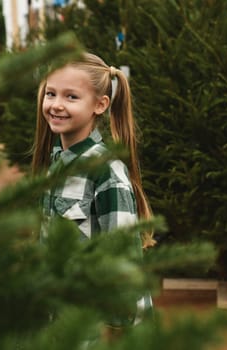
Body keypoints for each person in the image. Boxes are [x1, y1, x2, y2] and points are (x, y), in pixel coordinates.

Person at [31, 52, 155, 330]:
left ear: (100, 105)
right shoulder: (55, 166)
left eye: (71, 97)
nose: (56, 105)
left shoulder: (107, 173)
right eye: (50, 94)